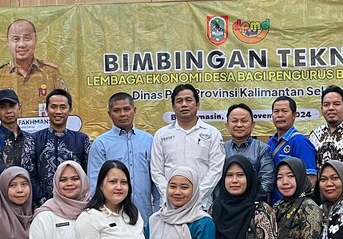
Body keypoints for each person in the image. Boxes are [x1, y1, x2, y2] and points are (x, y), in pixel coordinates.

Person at [88, 92, 157, 224]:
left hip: (145, 217)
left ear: (134, 110)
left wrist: (159, 212)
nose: (122, 114)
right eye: (117, 111)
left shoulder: (148, 140)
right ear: (109, 114)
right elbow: (95, 184)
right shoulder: (100, 144)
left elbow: (155, 180)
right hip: (113, 219)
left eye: (126, 109)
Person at [151, 84, 224, 208]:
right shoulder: (161, 134)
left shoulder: (212, 133)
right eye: (179, 101)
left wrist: (196, 196)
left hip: (201, 205)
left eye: (189, 100)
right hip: (170, 205)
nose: (184, 104)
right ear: (173, 106)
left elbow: (215, 170)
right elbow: (156, 171)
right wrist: (170, 195)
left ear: (197, 104)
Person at [0, 20, 67, 118]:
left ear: (36, 39)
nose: (22, 44)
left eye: (27, 38)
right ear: (8, 42)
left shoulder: (52, 73)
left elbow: (64, 109)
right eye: (16, 39)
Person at [30, 89, 91, 205]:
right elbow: (29, 174)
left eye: (63, 107)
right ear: (47, 109)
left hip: (76, 204)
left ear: (70, 109)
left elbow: (88, 174)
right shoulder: (33, 139)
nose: (58, 111)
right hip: (43, 205)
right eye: (53, 107)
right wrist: (43, 201)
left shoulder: (82, 140)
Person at [0, 88, 35, 207]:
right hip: (0, 206)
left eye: (12, 105)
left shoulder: (30, 139)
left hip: (29, 206)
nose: (8, 111)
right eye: (2, 107)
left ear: (19, 107)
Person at [267, 96, 318, 201]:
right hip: (275, 205)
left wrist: (298, 205)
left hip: (293, 206)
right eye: (276, 111)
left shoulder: (300, 142)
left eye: (284, 111)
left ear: (294, 115)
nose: (280, 115)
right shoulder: (271, 142)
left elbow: (311, 179)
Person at [223, 103, 273, 200]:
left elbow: (267, 181)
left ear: (252, 125)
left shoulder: (262, 149)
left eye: (244, 121)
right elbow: (217, 180)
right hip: (226, 203)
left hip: (253, 203)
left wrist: (250, 201)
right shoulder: (221, 149)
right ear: (227, 125)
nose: (239, 125)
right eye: (234, 121)